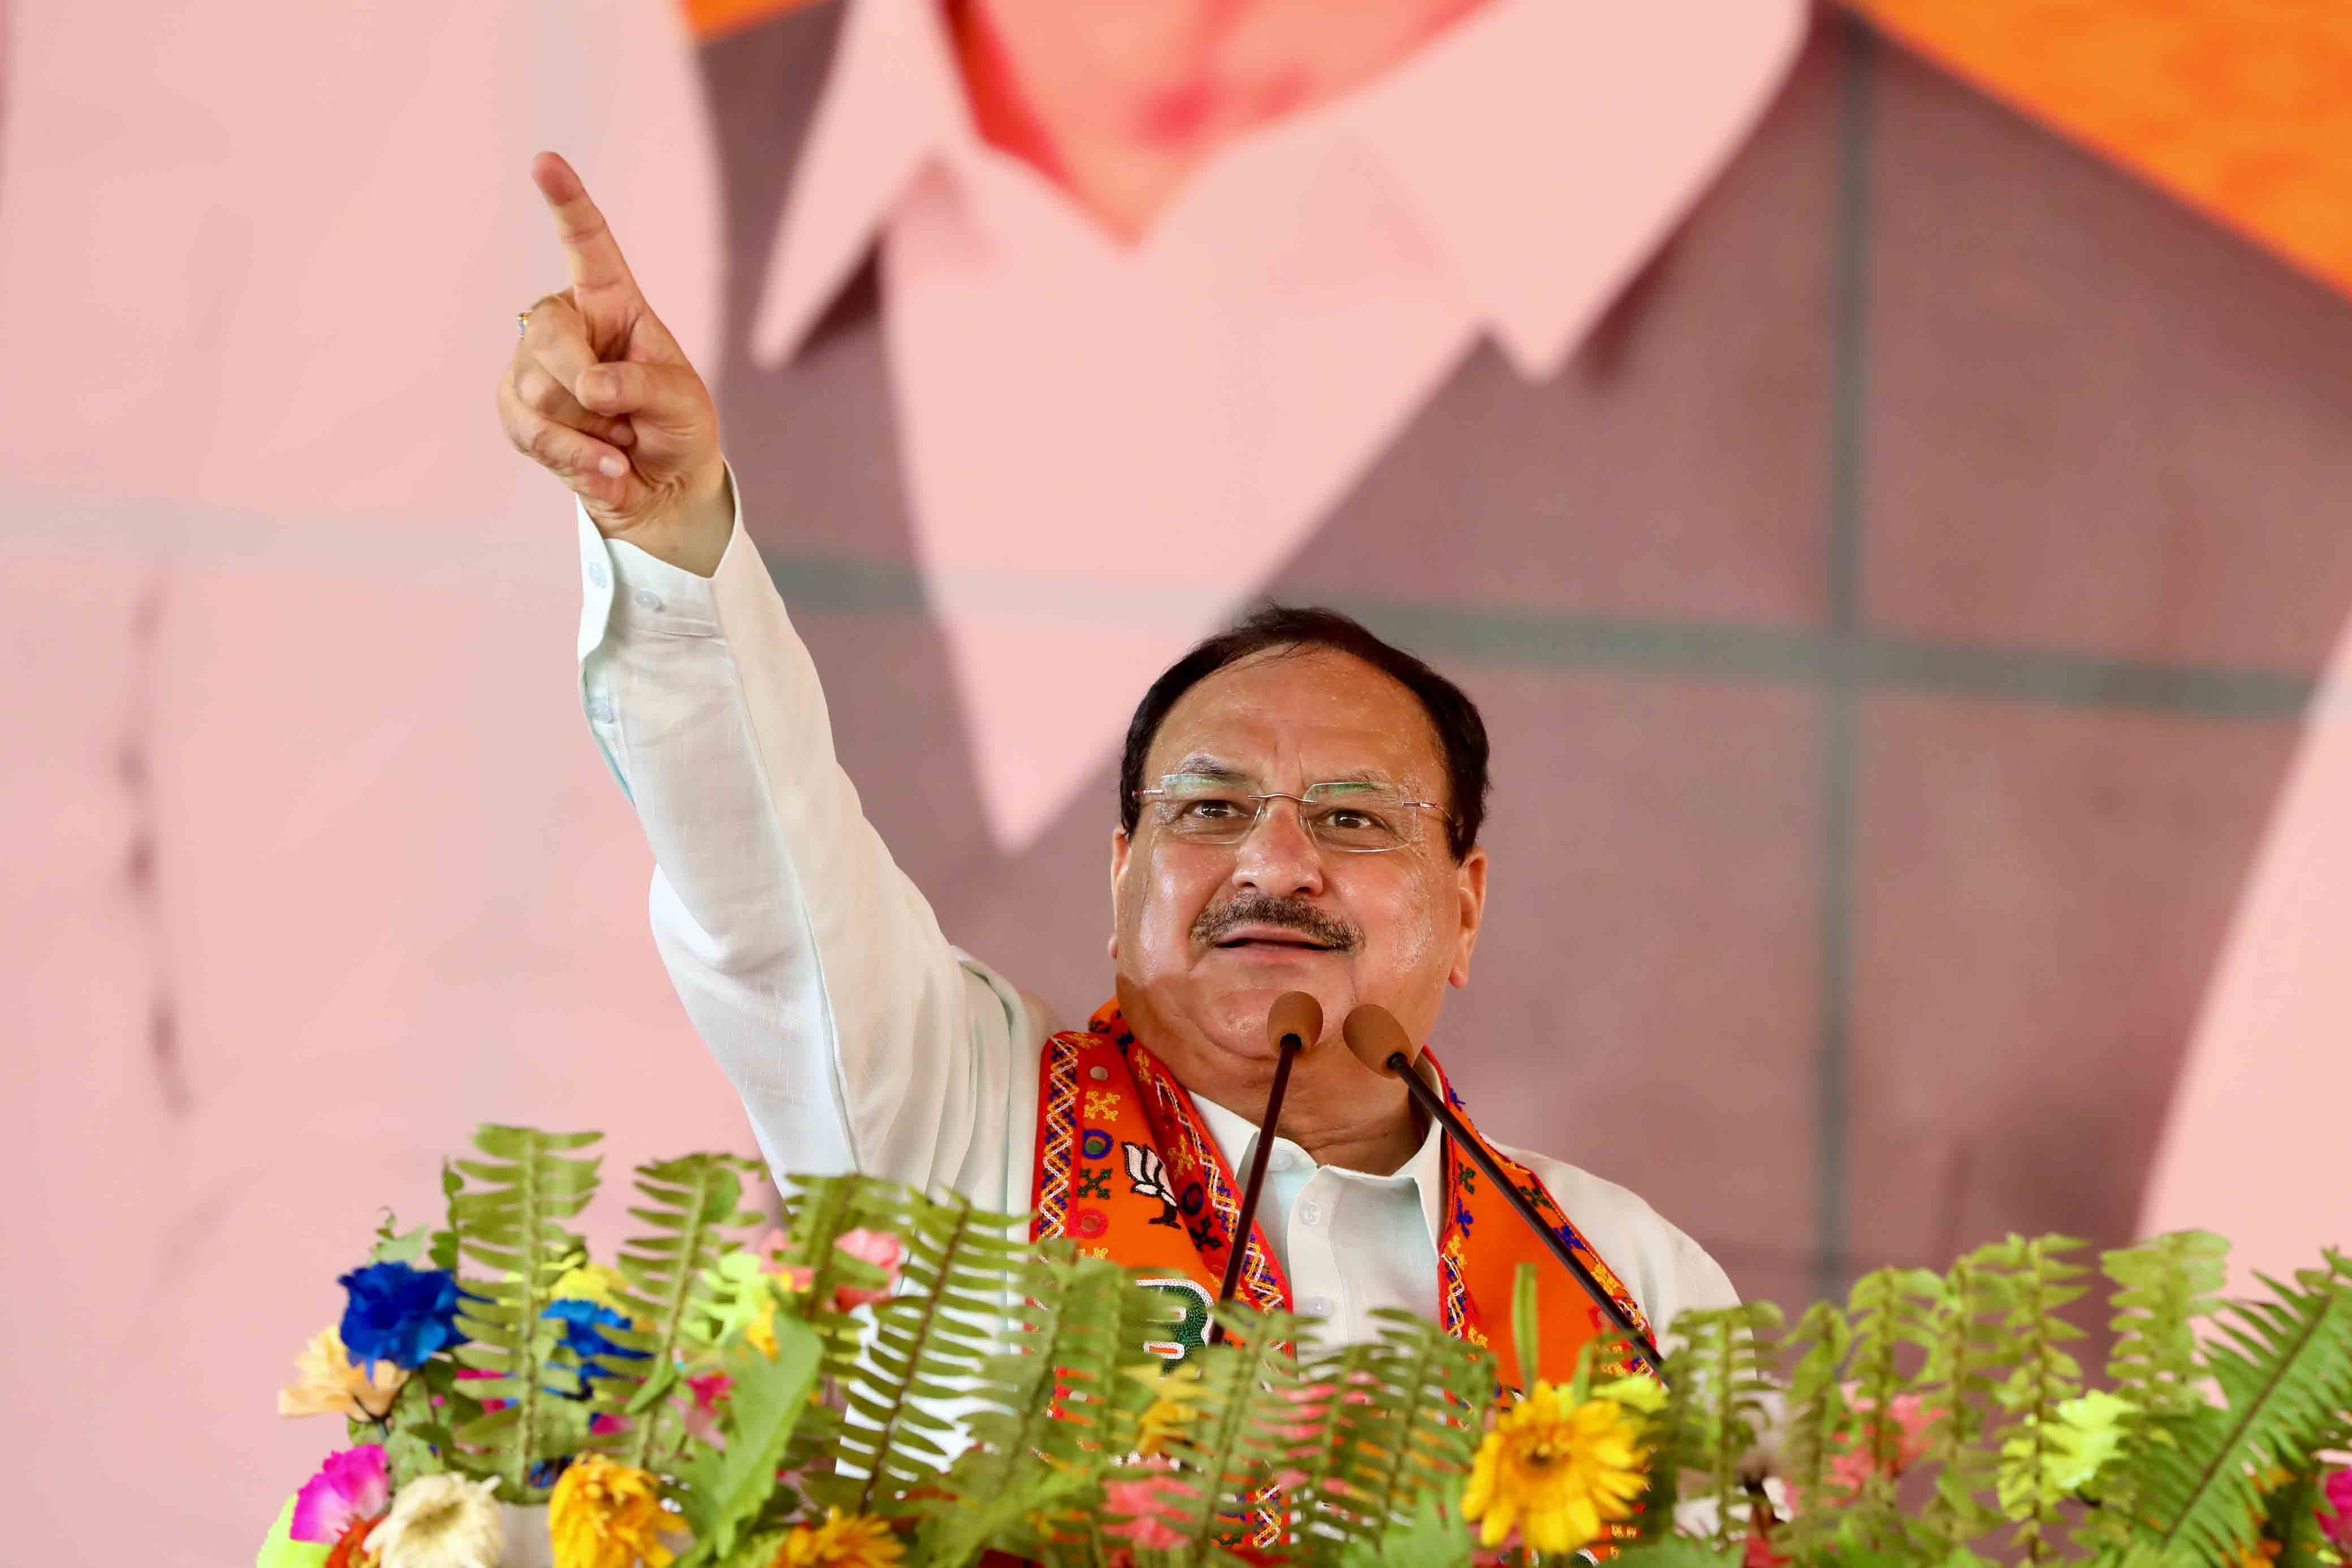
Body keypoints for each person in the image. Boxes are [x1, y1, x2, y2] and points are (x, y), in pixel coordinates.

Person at [498, 157, 1735, 1375]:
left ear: (1463, 910)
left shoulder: (1627, 1288)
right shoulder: (959, 1116)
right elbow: (771, 870)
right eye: (1211, 806)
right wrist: (668, 527)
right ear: (1123, 879)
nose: (1276, 861)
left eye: (1353, 819)